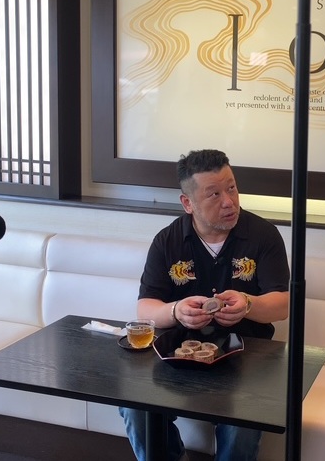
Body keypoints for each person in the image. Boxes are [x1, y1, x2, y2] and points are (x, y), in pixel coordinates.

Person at [119, 149, 290, 461]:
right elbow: (145, 308)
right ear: (188, 203)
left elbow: (281, 305)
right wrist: (176, 311)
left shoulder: (264, 235)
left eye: (232, 188)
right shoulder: (167, 241)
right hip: (179, 357)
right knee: (135, 407)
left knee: (242, 424)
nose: (229, 201)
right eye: (214, 194)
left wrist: (248, 304)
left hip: (246, 359)